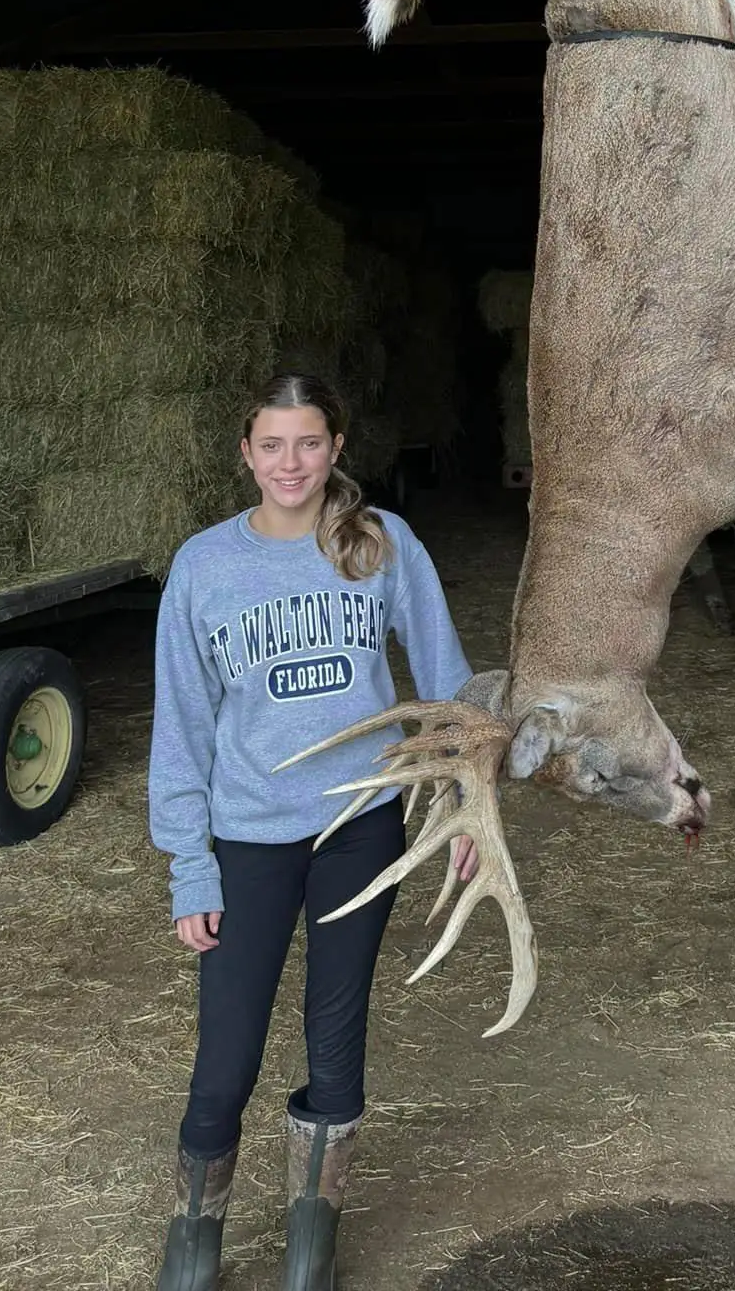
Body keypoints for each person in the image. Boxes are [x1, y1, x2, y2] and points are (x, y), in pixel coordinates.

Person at [149, 372, 477, 1291]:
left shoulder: (382, 546)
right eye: (271, 445)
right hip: (247, 836)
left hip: (360, 828)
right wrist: (190, 867)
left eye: (308, 443)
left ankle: (310, 1252)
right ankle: (194, 1247)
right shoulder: (205, 566)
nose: (290, 463)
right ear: (245, 454)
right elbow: (181, 724)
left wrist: (457, 802)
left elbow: (444, 680)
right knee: (225, 1062)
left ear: (336, 448)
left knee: (336, 1044)